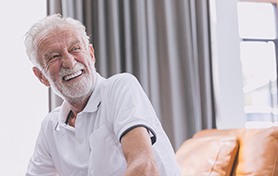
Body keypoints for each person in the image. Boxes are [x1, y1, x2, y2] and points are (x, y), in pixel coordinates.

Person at [24, 14, 180, 176]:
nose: (69, 62)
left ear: (91, 54)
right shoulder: (50, 127)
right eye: (54, 57)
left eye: (75, 49)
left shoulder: (120, 87)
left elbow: (144, 166)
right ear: (41, 76)